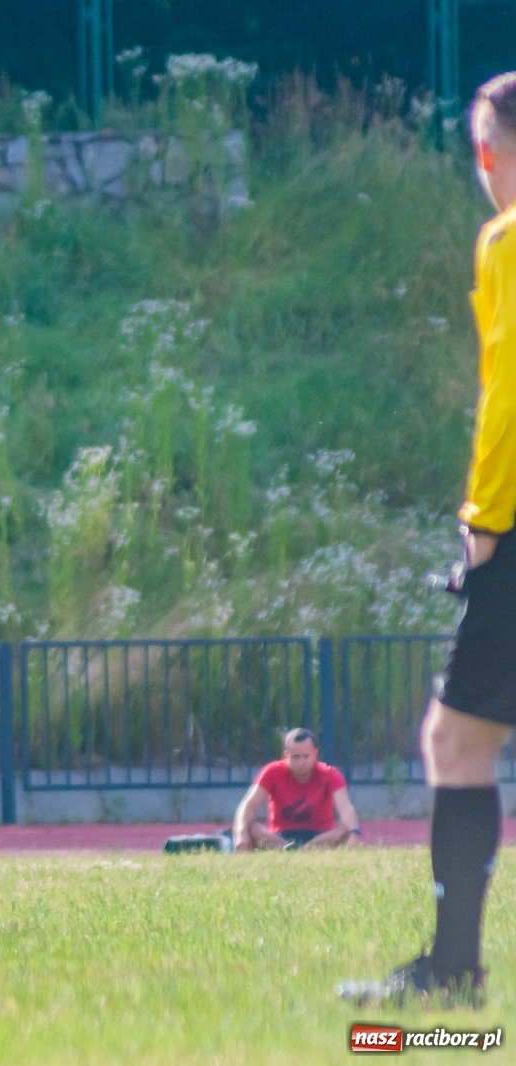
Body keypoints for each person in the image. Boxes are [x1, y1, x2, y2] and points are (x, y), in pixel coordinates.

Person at [340, 72, 516, 1008]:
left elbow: (507, 405)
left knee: (455, 742)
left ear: (488, 149)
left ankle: (454, 976)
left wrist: (483, 529)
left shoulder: (506, 240)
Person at [232, 729, 361, 851]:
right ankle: (288, 848)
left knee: (346, 828)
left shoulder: (330, 774)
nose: (301, 762)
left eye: (306, 756)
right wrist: (240, 834)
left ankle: (304, 849)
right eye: (296, 757)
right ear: (286, 755)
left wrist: (355, 833)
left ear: (315, 753)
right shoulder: (272, 771)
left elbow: (346, 808)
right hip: (280, 837)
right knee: (250, 827)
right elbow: (248, 804)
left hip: (321, 836)